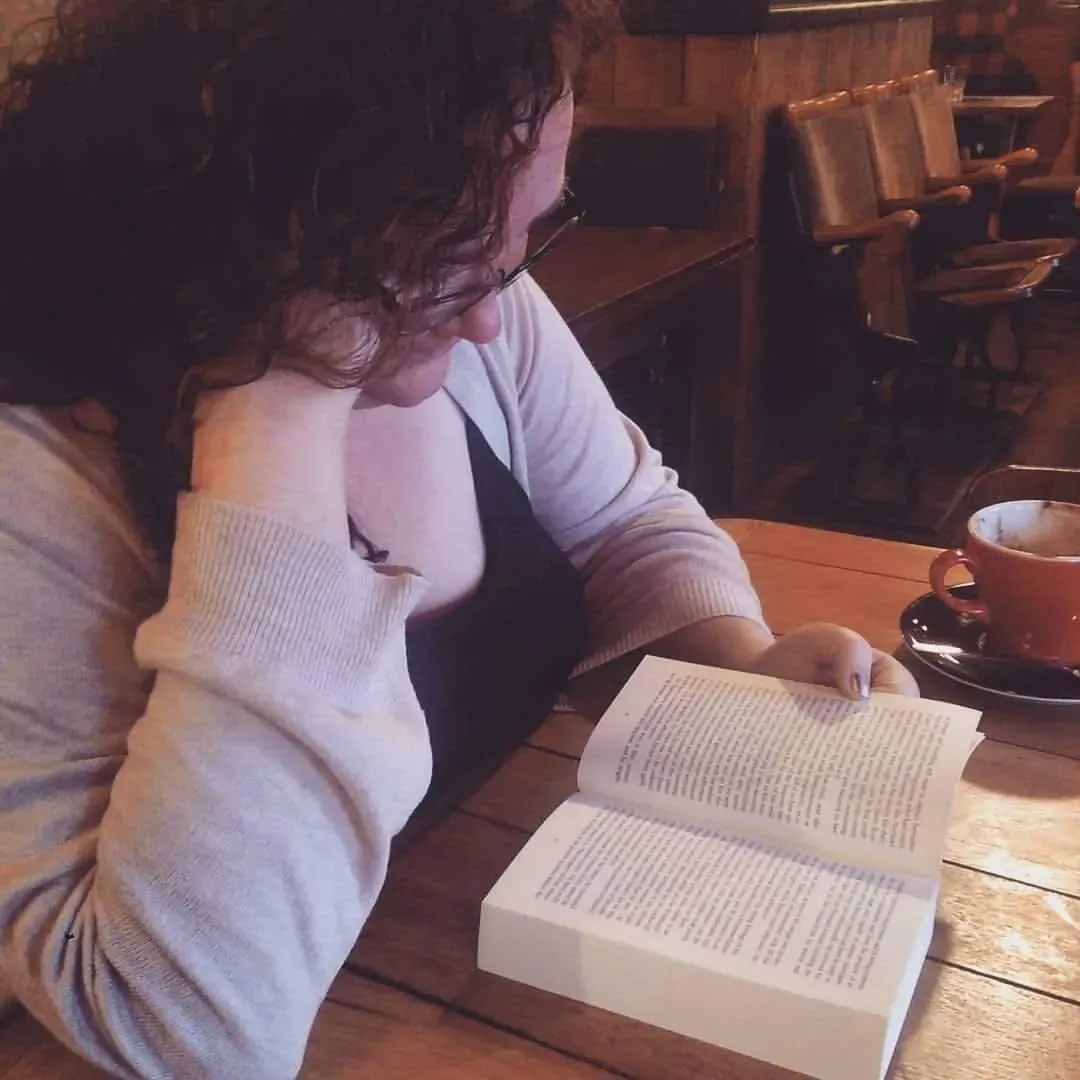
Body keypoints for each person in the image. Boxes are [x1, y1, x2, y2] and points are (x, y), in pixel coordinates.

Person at [0, 1, 918, 1077]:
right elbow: (185, 1029)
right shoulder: (37, 474)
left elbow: (627, 525)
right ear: (248, 225)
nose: (496, 306)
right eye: (449, 247)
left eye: (526, 231)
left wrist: (736, 664)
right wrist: (281, 398)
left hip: (503, 970)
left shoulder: (480, 309)